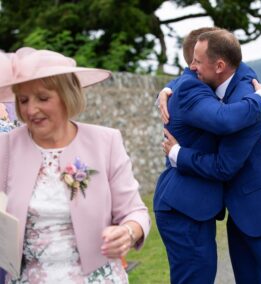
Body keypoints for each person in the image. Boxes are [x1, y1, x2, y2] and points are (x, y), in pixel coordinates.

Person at [162, 29, 261, 283]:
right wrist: (167, 88)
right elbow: (187, 83)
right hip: (239, 215)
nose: (191, 67)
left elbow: (224, 165)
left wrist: (178, 154)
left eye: (196, 61)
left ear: (219, 65)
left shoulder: (248, 99)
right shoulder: (219, 82)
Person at [0, 47, 151, 283]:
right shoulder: (7, 146)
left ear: (67, 95)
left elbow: (135, 212)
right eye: (23, 100)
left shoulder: (105, 142)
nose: (31, 110)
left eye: (42, 98)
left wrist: (128, 232)